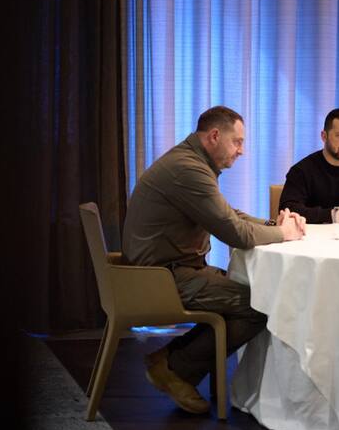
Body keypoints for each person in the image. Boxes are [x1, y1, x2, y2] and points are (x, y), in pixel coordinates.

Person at [122, 106, 305, 414]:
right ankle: (174, 369)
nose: (242, 151)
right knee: (260, 304)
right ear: (215, 136)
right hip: (163, 279)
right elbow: (237, 234)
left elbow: (227, 214)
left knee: (254, 295)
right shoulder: (189, 170)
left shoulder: (190, 162)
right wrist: (285, 234)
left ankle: (169, 361)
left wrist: (274, 226)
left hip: (166, 272)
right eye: (237, 142)